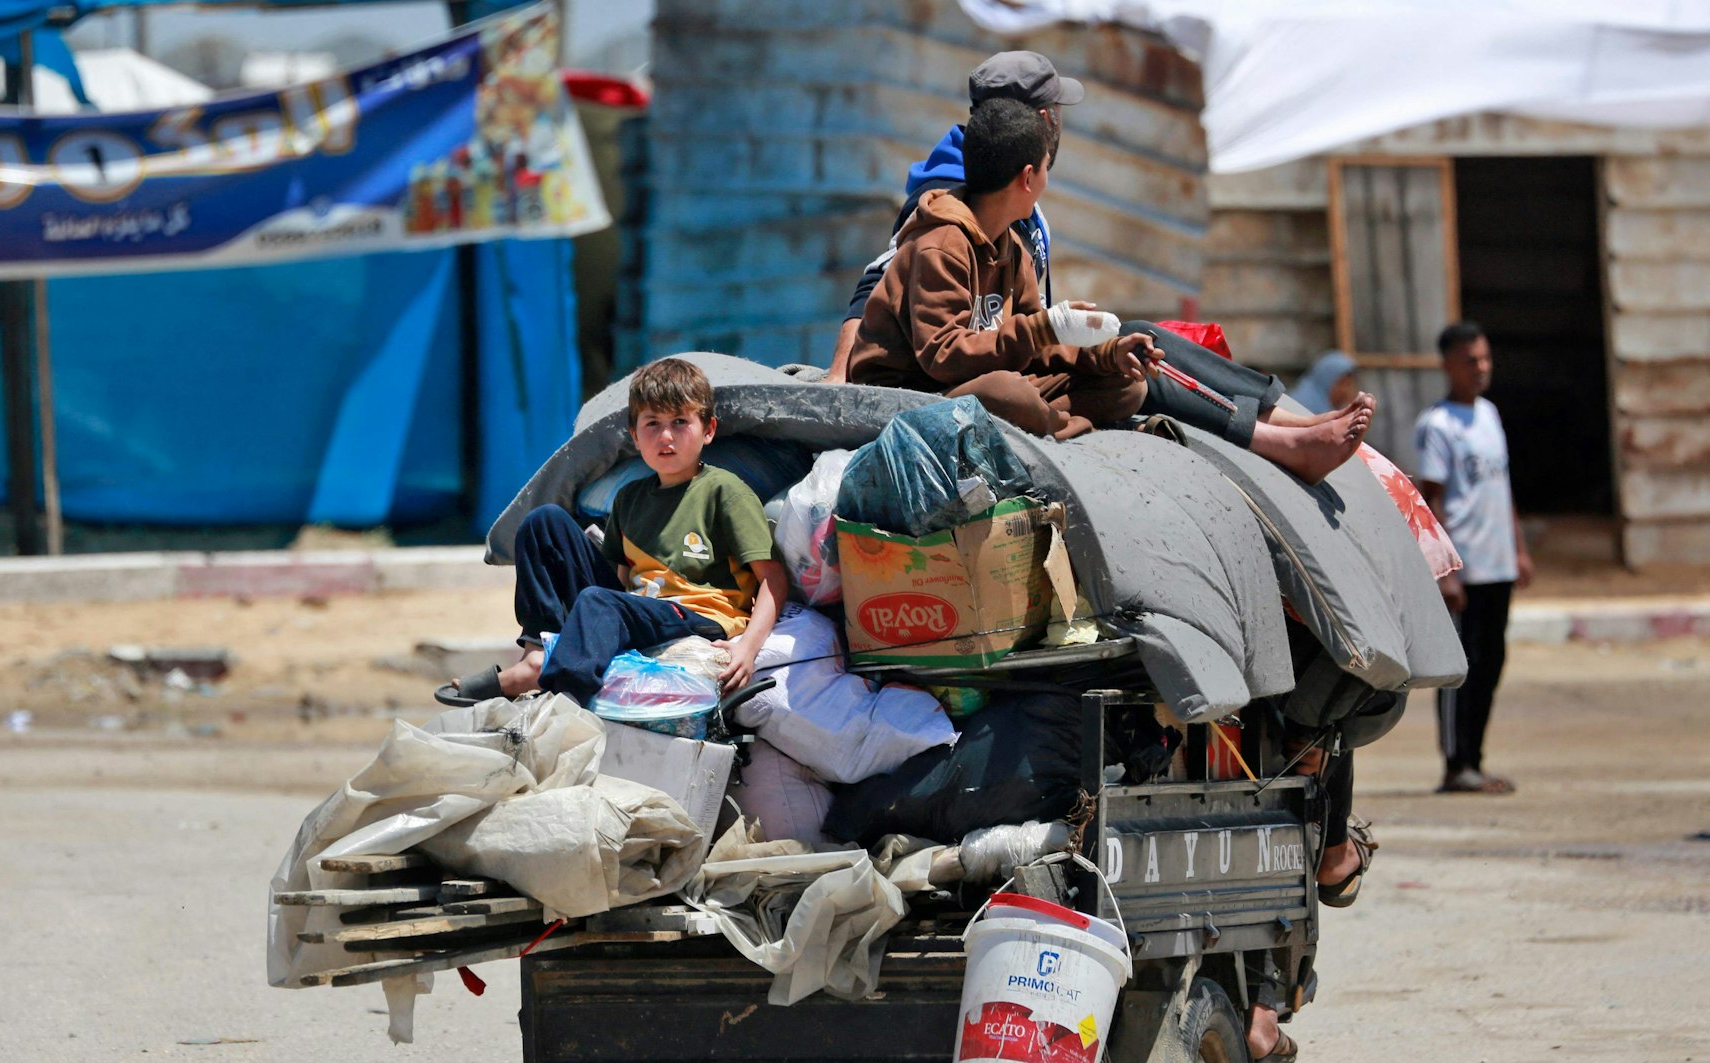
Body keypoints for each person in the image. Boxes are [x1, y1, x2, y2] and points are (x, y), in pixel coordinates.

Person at [846, 97, 1376, 485]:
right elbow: (942, 356)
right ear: (1028, 177)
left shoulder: (1012, 246)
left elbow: (1038, 342)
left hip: (983, 384)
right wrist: (1046, 326)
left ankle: (1061, 424)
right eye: (1048, 169)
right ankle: (1065, 431)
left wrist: (1101, 353)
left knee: (1128, 376)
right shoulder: (943, 244)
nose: (1049, 181)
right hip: (916, 399)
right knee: (1006, 392)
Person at [454, 358, 788, 705]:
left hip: (700, 616)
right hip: (638, 608)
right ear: (634, 435)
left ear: (708, 430)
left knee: (599, 603)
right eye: (653, 424)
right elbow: (619, 577)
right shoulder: (629, 498)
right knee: (544, 522)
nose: (666, 436)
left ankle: (563, 686)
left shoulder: (724, 492)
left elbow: (773, 579)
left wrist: (747, 648)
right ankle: (536, 653)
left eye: (679, 422)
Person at [823, 49, 1078, 384]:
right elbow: (881, 276)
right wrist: (839, 377)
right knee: (1007, 390)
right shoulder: (961, 196)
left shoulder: (1012, 190)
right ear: (1045, 118)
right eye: (1057, 109)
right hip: (956, 375)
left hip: (1008, 355)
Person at [1415, 322, 1533, 794]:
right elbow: (1432, 500)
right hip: (1464, 568)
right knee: (1461, 668)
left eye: (1485, 358)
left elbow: (1501, 490)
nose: (1481, 368)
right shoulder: (1437, 424)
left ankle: (1476, 761)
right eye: (1471, 361)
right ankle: (1455, 762)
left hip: (1498, 563)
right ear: (1448, 365)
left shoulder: (1490, 415)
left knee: (1492, 663)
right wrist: (1443, 570)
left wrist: (1519, 549)